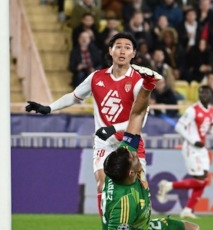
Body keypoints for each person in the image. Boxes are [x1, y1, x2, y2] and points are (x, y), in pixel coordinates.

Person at [101, 68, 213, 230]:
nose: (136, 154)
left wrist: (148, 86)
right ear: (130, 172)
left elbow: (136, 114)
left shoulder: (123, 166)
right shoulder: (124, 203)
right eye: (134, 158)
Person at [25, 32, 144, 215]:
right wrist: (48, 108)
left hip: (130, 140)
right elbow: (74, 97)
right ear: (110, 51)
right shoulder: (96, 78)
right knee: (102, 183)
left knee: (138, 188)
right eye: (118, 46)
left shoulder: (138, 81)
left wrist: (114, 128)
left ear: (133, 54)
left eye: (127, 47)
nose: (122, 51)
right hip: (104, 142)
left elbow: (143, 116)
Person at [156, 86, 213, 219]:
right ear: (199, 94)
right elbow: (179, 127)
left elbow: (212, 128)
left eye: (207, 93)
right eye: (201, 93)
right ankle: (168, 185)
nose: (204, 96)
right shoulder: (192, 110)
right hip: (191, 147)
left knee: (204, 179)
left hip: (201, 148)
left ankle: (188, 209)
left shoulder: (212, 110)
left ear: (211, 95)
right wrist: (193, 140)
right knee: (201, 179)